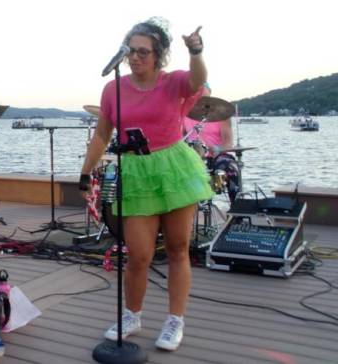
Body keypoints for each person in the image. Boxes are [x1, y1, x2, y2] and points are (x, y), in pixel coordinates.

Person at [78, 17, 212, 351]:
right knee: (138, 255)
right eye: (131, 51)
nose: (135, 58)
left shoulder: (173, 82)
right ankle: (132, 316)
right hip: (136, 172)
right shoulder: (113, 89)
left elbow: (198, 79)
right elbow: (101, 135)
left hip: (173, 168)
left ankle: (174, 321)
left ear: (158, 56)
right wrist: (85, 172)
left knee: (180, 248)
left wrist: (195, 51)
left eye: (143, 52)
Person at [182, 84, 241, 202]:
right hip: (194, 157)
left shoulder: (222, 116)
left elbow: (228, 143)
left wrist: (217, 149)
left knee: (230, 167)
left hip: (218, 156)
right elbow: (181, 139)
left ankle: (236, 210)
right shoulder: (185, 114)